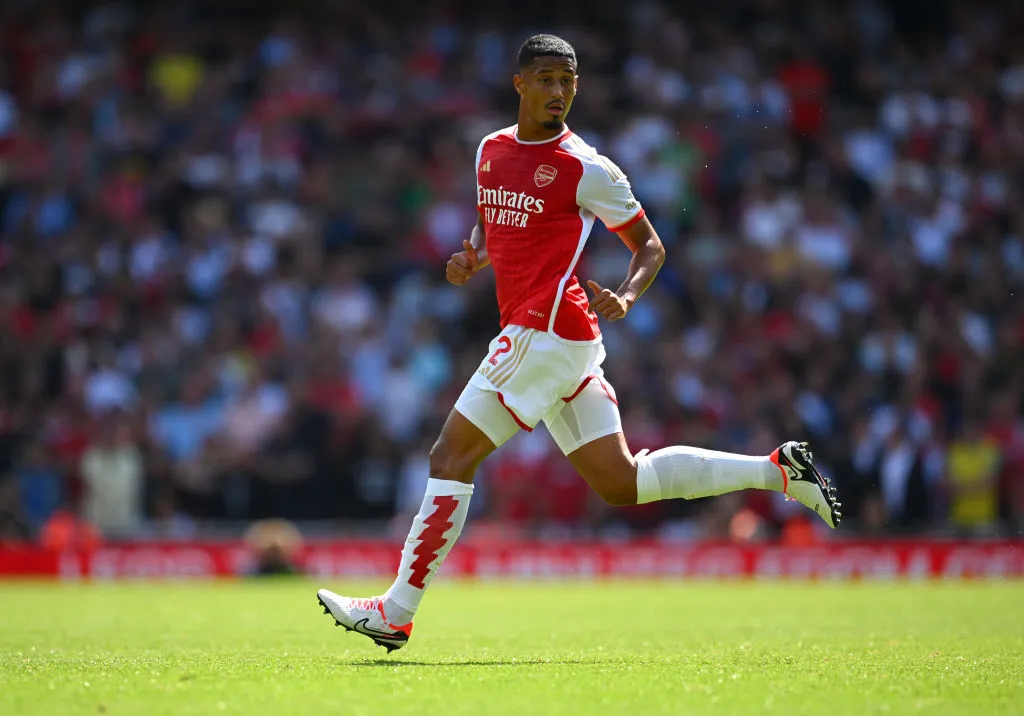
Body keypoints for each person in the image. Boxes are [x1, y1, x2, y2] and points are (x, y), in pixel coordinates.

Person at [317, 34, 841, 653]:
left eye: (567, 81)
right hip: (561, 341)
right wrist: (472, 259)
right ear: (519, 84)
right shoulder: (490, 152)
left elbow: (650, 245)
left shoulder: (587, 167)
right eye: (545, 79)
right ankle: (777, 470)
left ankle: (396, 610)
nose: (558, 92)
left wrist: (627, 294)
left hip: (545, 331)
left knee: (448, 458)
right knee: (621, 482)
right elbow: (496, 225)